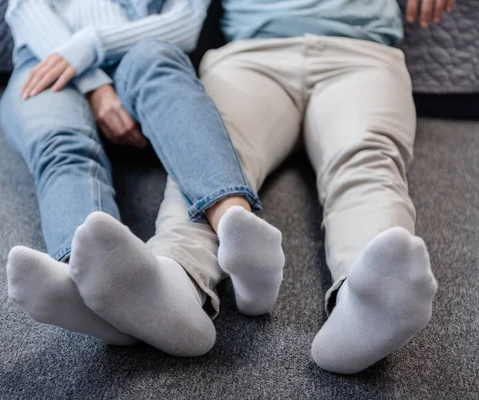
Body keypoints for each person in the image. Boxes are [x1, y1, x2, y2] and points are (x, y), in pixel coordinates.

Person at [136, 0, 452, 373]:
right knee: (209, 158)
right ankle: (173, 277)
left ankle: (368, 300)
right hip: (249, 55)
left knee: (365, 160)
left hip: (362, 52)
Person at [0, 0, 285, 357]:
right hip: (47, 56)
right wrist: (94, 85)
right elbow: (25, 9)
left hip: (137, 52)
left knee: (161, 71)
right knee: (61, 143)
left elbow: (184, 22)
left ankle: (235, 225)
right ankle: (85, 277)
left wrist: (93, 45)